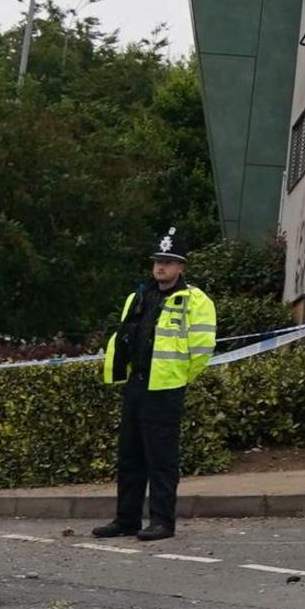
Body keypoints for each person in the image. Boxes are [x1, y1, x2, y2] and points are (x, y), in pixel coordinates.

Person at [92, 228, 217, 542]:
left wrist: (181, 378)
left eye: (169, 261)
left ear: (182, 267)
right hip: (136, 384)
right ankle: (127, 519)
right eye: (158, 260)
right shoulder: (138, 296)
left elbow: (202, 348)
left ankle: (163, 521)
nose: (161, 266)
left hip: (166, 388)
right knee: (130, 456)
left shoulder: (195, 300)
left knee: (161, 459)